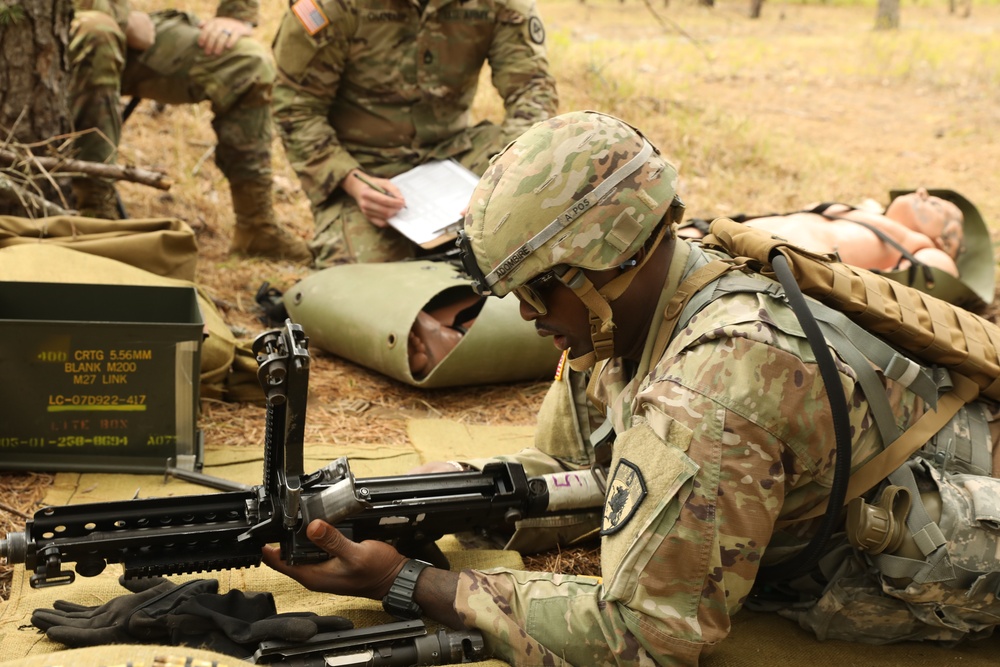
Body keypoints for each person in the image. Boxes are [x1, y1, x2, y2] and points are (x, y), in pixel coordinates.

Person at [263, 111, 1000, 665]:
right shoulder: (650, 302)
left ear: (599, 264)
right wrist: (449, 498)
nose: (526, 314)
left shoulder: (714, 386)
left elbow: (643, 633)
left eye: (539, 290)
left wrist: (411, 583)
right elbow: (590, 478)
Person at [270, 0, 559, 266]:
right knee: (361, 283)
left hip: (456, 153)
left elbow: (532, 89)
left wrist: (504, 178)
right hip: (365, 170)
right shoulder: (333, 5)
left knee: (545, 207)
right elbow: (296, 109)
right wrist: (352, 180)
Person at [68, 0, 313, 262]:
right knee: (97, 31)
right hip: (77, 26)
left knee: (247, 64)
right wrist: (118, 16)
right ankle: (96, 216)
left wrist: (236, 14)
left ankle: (256, 227)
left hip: (138, 30)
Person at [677, 190, 966, 277]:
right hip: (709, 236)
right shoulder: (861, 212)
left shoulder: (923, 251)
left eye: (940, 206)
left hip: (757, 272)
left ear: (947, 241)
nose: (923, 192)